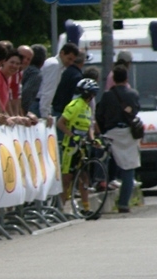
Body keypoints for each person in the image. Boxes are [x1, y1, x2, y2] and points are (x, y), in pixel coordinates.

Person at [96, 65, 140, 213]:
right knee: (129, 168)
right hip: (128, 132)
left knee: (108, 161)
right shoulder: (133, 94)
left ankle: (102, 183)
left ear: (113, 79)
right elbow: (135, 111)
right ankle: (123, 203)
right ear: (126, 79)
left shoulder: (108, 95)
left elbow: (100, 114)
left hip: (112, 132)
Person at [57, 78, 100, 211]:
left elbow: (88, 127)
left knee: (84, 178)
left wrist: (92, 139)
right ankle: (60, 209)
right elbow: (60, 123)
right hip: (70, 147)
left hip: (82, 147)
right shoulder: (74, 105)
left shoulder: (87, 108)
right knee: (67, 179)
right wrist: (72, 136)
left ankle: (86, 209)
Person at [37, 43, 79, 118]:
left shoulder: (53, 63)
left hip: (40, 104)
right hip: (39, 106)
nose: (70, 63)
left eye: (73, 60)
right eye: (69, 58)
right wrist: (45, 114)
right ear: (62, 53)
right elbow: (48, 91)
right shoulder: (55, 65)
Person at [50, 50, 87, 123]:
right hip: (65, 115)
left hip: (56, 110)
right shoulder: (78, 77)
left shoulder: (65, 71)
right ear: (83, 62)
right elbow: (75, 99)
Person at [20, 45, 46, 117]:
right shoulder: (36, 73)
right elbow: (27, 92)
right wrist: (23, 112)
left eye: (28, 59)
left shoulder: (24, 70)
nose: (25, 60)